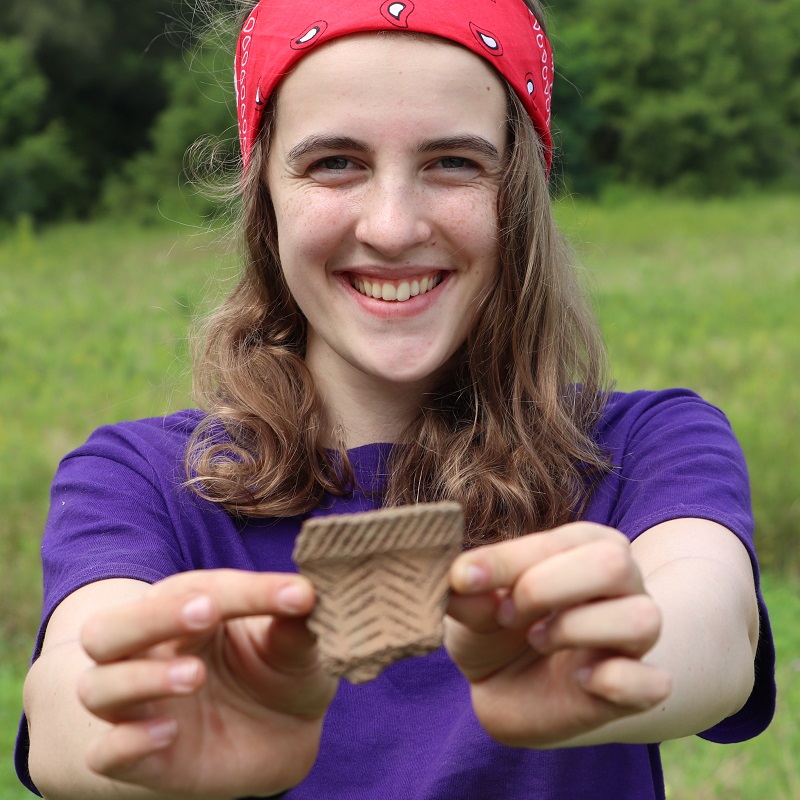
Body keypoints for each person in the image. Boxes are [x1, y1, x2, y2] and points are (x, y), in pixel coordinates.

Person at [17, 1, 775, 798]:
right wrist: (150, 725)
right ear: (263, 196)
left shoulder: (642, 445)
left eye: (453, 162)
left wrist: (618, 652)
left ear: (518, 193)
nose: (391, 225)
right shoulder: (144, 481)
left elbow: (714, 623)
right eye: (335, 163)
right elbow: (67, 699)